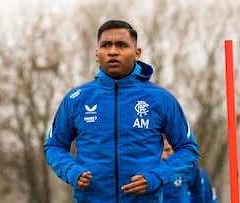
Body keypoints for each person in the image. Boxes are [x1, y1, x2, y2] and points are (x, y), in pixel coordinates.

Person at [43, 20, 199, 203]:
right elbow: (53, 146)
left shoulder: (161, 99)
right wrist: (71, 170)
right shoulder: (76, 99)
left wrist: (156, 176)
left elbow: (188, 149)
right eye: (106, 45)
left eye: (122, 45)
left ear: (137, 53)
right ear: (96, 54)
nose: (112, 51)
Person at [162, 136, 218, 203]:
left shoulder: (189, 167)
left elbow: (201, 194)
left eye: (167, 150)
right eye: (159, 151)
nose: (163, 156)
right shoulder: (149, 171)